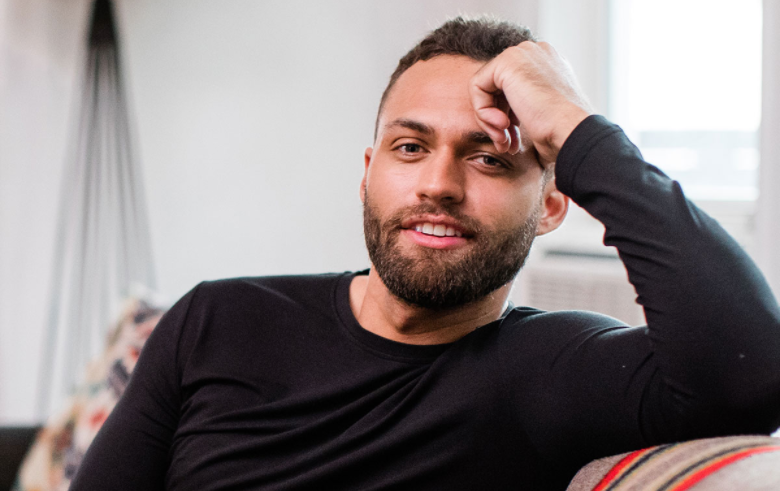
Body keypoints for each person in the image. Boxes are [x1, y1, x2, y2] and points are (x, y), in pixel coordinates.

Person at [70, 16, 780, 491]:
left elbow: (749, 372)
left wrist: (576, 129)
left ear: (553, 206)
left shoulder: (548, 372)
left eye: (491, 160)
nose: (438, 184)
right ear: (369, 171)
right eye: (411, 148)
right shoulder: (215, 319)